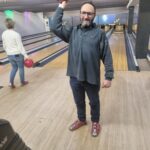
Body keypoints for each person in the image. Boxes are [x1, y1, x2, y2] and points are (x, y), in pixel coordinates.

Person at [50, 1, 114, 137]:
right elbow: (54, 26)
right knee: (78, 101)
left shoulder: (99, 34)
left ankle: (95, 122)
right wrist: (62, 6)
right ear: (80, 14)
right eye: (84, 13)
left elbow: (107, 56)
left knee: (94, 102)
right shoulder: (72, 32)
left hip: (91, 77)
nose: (86, 16)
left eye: (89, 13)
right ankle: (81, 119)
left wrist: (108, 76)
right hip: (75, 76)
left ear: (94, 15)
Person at [2, 18, 29, 88]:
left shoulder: (4, 34)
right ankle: (22, 82)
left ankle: (11, 83)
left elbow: (4, 45)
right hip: (18, 55)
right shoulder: (16, 34)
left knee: (14, 68)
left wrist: (8, 52)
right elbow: (20, 46)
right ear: (13, 25)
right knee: (21, 68)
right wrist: (26, 56)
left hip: (10, 55)